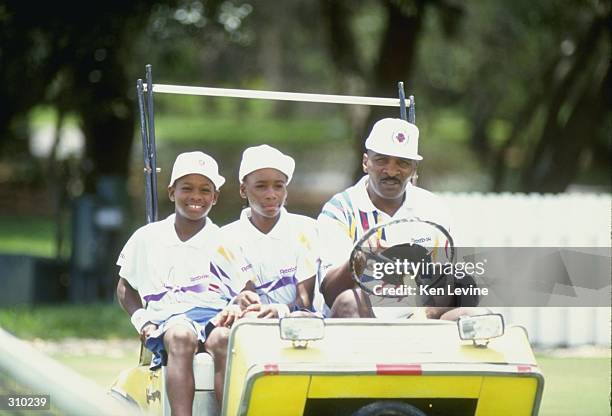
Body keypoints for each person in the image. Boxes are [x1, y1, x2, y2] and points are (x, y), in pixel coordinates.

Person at [116, 151, 255, 415]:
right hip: (169, 320)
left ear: (214, 197)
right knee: (181, 336)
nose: (196, 197)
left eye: (205, 190)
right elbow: (124, 287)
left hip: (215, 315)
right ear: (171, 192)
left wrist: (238, 305)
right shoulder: (147, 237)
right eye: (187, 188)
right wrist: (142, 320)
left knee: (225, 339)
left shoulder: (225, 240)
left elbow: (247, 288)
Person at [317, 118, 482, 320]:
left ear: (414, 169)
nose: (392, 171)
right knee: (348, 301)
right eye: (381, 160)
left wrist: (427, 312)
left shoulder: (433, 208)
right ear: (365, 162)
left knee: (474, 314)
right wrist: (359, 260)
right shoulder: (340, 210)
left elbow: (462, 286)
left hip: (419, 316)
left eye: (402, 163)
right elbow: (331, 295)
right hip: (365, 319)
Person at [221, 145, 319, 317]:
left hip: (298, 319)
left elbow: (305, 299)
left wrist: (280, 311)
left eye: (278, 186)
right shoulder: (226, 238)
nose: (271, 194)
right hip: (252, 320)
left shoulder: (307, 229)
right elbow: (247, 293)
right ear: (243, 190)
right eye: (261, 186)